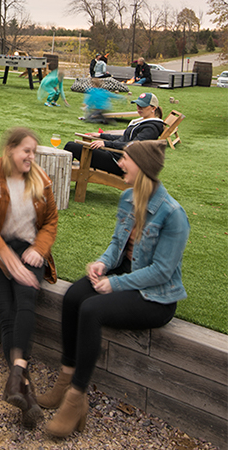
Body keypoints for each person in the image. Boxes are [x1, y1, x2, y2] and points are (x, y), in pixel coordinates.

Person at [40, 139, 190, 438]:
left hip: (156, 297)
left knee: (92, 309)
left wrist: (116, 283)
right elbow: (117, 244)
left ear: (143, 167)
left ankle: (76, 398)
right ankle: (65, 378)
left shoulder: (173, 214)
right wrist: (103, 264)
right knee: (73, 297)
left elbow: (161, 271)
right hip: (126, 275)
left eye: (126, 159)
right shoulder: (127, 199)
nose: (120, 164)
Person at [0, 127, 58, 430]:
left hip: (28, 249)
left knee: (26, 299)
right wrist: (6, 258)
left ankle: (16, 377)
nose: (32, 156)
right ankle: (27, 395)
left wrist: (39, 249)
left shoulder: (41, 180)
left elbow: (51, 221)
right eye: (26, 151)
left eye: (34, 151)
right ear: (10, 150)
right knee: (7, 313)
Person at [64, 92, 163, 176]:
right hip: (113, 154)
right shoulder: (142, 122)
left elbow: (133, 145)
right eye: (138, 105)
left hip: (119, 162)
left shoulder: (151, 128)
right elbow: (124, 137)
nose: (139, 108)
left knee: (71, 146)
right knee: (75, 146)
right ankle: (65, 176)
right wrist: (101, 136)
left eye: (143, 106)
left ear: (153, 108)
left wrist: (106, 144)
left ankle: (62, 177)